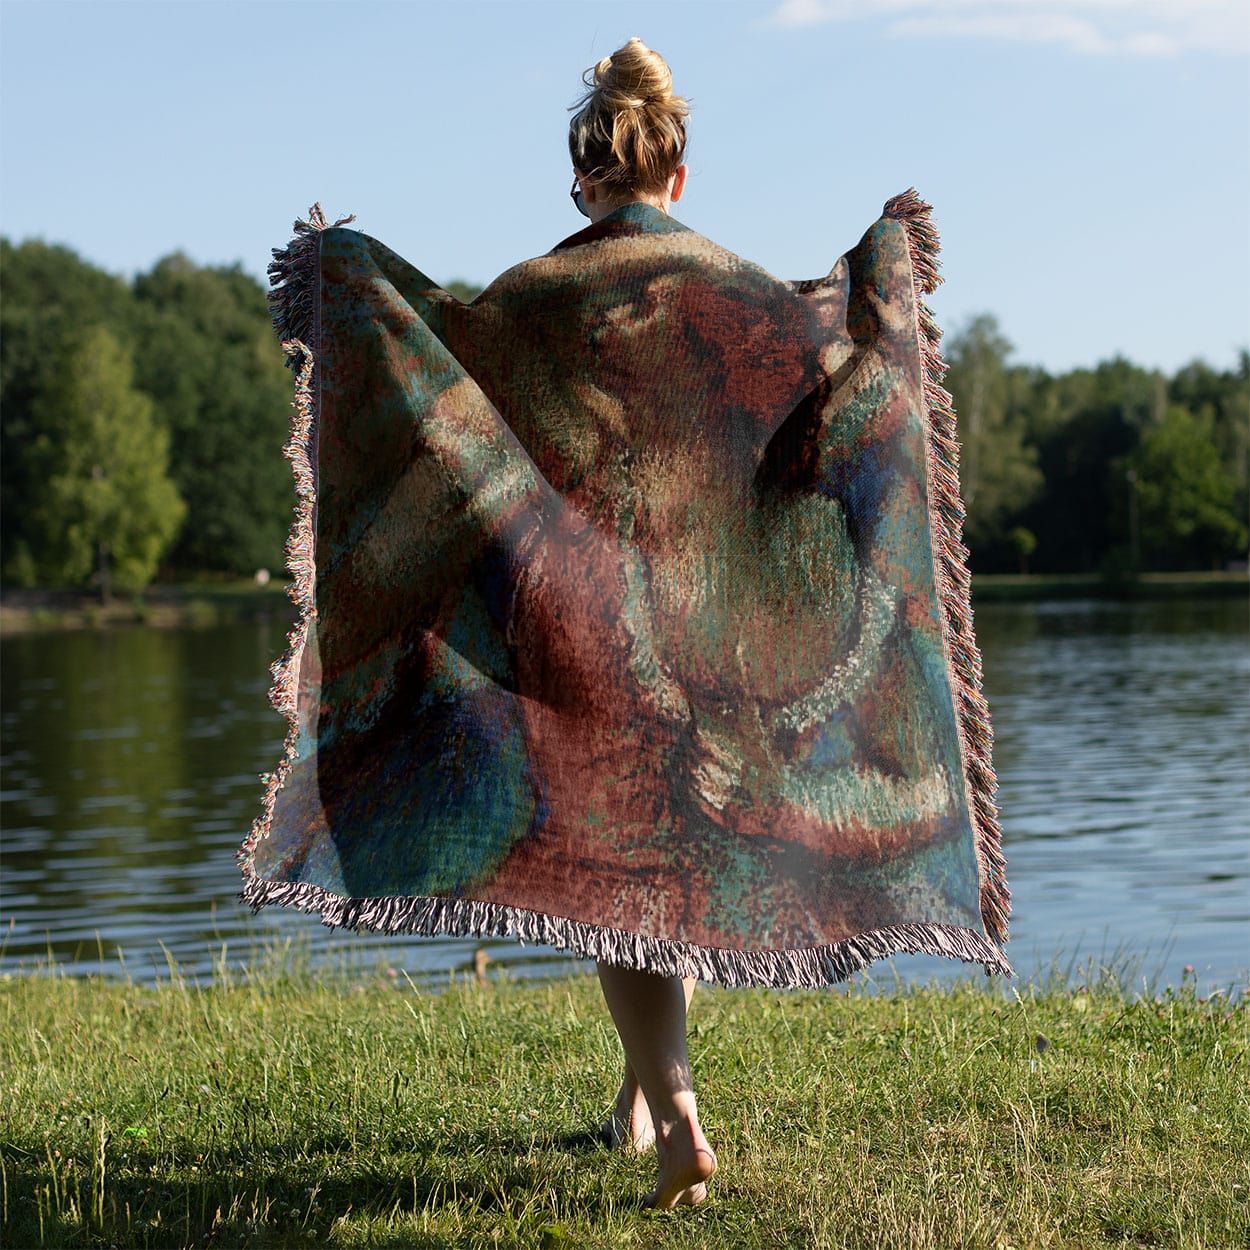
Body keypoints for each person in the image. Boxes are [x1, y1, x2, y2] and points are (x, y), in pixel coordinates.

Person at [562, 37, 719, 1210]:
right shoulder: (729, 285)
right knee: (668, 872)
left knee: (616, 888)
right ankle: (632, 1099)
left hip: (592, 621)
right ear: (676, 174)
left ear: (585, 181)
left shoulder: (547, 286)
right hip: (710, 621)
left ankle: (677, 1118)